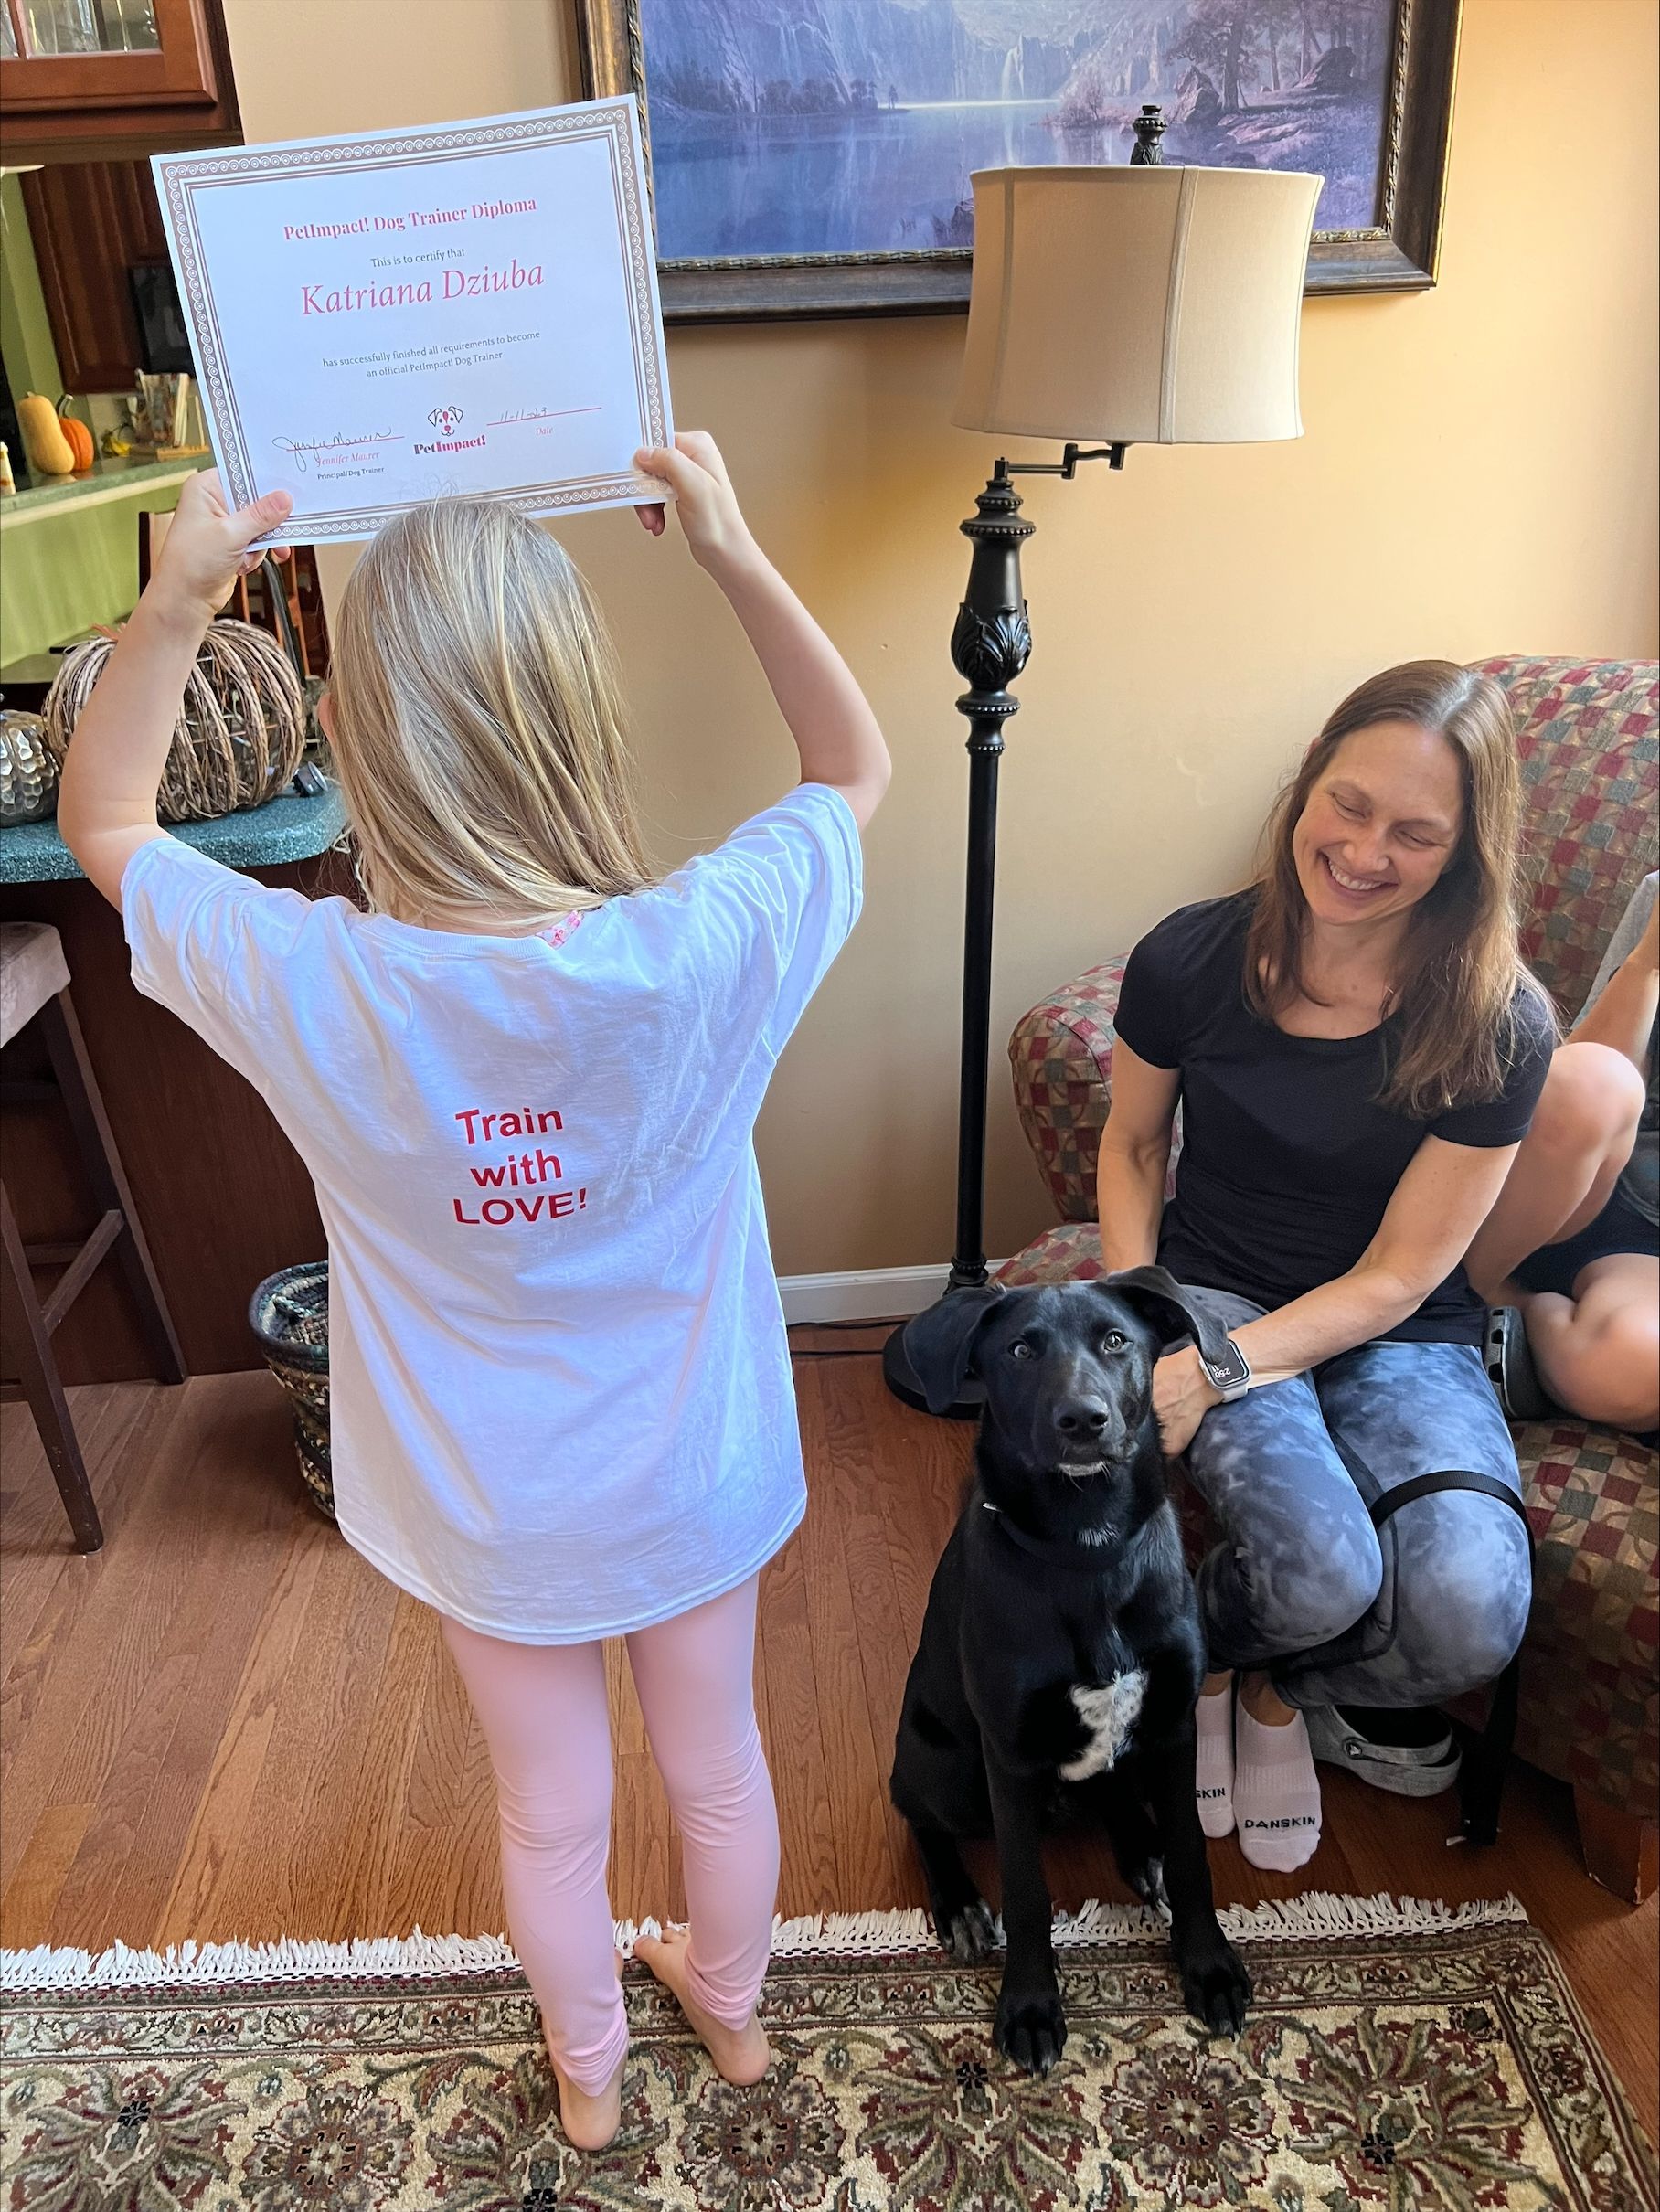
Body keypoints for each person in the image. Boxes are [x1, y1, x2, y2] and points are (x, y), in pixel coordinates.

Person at [55, 437, 890, 2153]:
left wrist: (174, 608)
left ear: (359, 742)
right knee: (716, 1763)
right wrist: (729, 548)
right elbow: (853, 764)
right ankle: (726, 2024)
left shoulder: (317, 980)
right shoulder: (698, 946)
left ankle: (588, 2079)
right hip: (689, 1470)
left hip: (486, 1498)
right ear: (576, 718)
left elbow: (105, 819)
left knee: (548, 1811)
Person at [1097, 662, 1554, 1873]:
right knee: (1318, 1573)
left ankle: (1266, 1695)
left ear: (1465, 854)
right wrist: (1146, 1327)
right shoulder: (1189, 958)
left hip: (1403, 1329)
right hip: (1219, 1286)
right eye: (1348, 805)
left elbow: (1404, 1276)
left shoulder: (1503, 1020)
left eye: (1415, 833)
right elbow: (1133, 1147)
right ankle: (1200, 1677)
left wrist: (1219, 1377)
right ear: (1307, 784)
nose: (1364, 851)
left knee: (1470, 1615)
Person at [1467, 871, 1658, 1434]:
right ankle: (1461, 1297)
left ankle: (1515, 1315)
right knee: (1591, 1080)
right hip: (1595, 1189)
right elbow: (1585, 1078)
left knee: (1625, 1367)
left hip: (1640, 1272)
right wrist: (1650, 963)